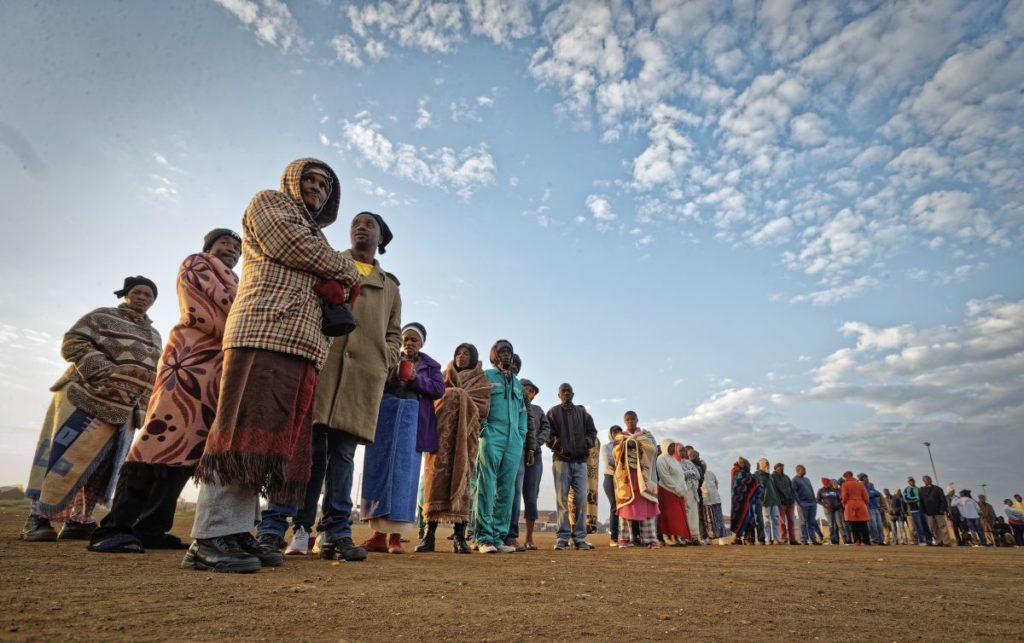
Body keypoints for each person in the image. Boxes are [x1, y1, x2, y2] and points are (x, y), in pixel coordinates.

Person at [186, 159, 359, 573]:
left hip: (301, 345)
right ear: (291, 182)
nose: (316, 188)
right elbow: (296, 248)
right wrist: (346, 268)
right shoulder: (269, 204)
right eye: (310, 180)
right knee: (240, 432)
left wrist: (339, 270)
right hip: (265, 329)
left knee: (267, 442)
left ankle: (237, 531)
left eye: (324, 185)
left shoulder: (314, 232)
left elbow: (318, 256)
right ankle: (209, 537)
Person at [255, 209, 399, 563]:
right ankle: (274, 527)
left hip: (362, 377)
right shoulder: (329, 262)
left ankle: (336, 532)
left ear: (381, 238)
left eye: (369, 225)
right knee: (301, 448)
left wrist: (386, 358)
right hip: (323, 364)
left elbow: (394, 332)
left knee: (343, 456)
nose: (361, 228)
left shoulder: (391, 286)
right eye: (355, 224)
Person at [89, 231, 241, 554]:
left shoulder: (237, 280)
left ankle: (151, 527)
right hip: (188, 362)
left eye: (237, 247)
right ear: (210, 247)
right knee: (159, 441)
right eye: (225, 243)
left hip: (216, 370)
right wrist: (246, 322)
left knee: (189, 450)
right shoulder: (196, 264)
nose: (232, 249)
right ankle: (115, 527)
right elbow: (209, 312)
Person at [23, 277, 163, 543]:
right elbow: (73, 342)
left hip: (125, 409)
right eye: (137, 292)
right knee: (62, 456)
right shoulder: (101, 316)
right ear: (126, 295)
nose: (143, 297)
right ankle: (37, 517)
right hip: (86, 397)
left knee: (103, 467)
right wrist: (105, 373)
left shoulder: (154, 335)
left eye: (148, 294)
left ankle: (79, 519)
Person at [362, 323, 444, 554]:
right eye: (405, 339)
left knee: (403, 476)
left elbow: (439, 389)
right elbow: (374, 380)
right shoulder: (389, 359)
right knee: (378, 471)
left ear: (422, 343)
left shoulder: (430, 366)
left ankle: (395, 538)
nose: (408, 343)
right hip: (385, 414)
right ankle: (378, 535)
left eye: (413, 340)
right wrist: (390, 375)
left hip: (412, 419)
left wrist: (416, 379)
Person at [418, 343, 490, 554]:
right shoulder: (442, 376)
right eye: (459, 353)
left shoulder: (481, 381)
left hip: (465, 441)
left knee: (463, 483)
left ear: (474, 357)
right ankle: (428, 536)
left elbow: (484, 408)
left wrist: (458, 396)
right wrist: (454, 394)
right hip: (440, 438)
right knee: (434, 482)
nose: (461, 356)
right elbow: (432, 401)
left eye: (466, 353)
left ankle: (460, 538)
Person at [472, 340, 528, 554]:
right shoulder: (486, 377)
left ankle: (498, 536)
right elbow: (478, 403)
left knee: (507, 488)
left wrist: (521, 435)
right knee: (487, 485)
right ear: (494, 355)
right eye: (502, 351)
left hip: (513, 440)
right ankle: (483, 537)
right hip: (492, 435)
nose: (506, 355)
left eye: (509, 351)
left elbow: (522, 412)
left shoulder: (517, 383)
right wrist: (483, 429)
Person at [545, 383, 597, 551]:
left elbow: (592, 433)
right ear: (558, 395)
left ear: (573, 394)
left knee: (581, 499)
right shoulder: (553, 412)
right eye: (563, 392)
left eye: (569, 391)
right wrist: (559, 446)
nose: (566, 394)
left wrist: (585, 444)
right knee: (562, 501)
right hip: (561, 461)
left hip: (580, 462)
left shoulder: (582, 413)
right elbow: (547, 434)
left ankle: (580, 538)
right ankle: (562, 537)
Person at [613, 411, 660, 548]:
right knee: (626, 506)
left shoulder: (645, 435)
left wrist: (637, 445)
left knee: (647, 503)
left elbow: (653, 450)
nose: (630, 421)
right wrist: (626, 445)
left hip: (643, 477)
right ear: (624, 421)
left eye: (632, 419)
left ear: (637, 419)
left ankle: (650, 539)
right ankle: (624, 539)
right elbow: (615, 452)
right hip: (626, 478)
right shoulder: (620, 436)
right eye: (627, 419)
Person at [506, 356, 537, 552]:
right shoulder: (493, 383)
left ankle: (510, 535)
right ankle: (486, 533)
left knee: (517, 493)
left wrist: (531, 448)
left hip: (520, 450)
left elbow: (531, 426)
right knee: (493, 489)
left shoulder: (532, 405)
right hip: (496, 442)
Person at [518, 378, 550, 551]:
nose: (528, 392)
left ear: (534, 395)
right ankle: (509, 535)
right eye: (525, 389)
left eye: (531, 391)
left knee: (531, 497)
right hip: (514, 453)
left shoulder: (538, 410)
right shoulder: (512, 406)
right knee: (511, 494)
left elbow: (546, 429)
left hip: (534, 456)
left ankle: (529, 538)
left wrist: (536, 443)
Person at [655, 440, 691, 545]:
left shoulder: (674, 459)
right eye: (670, 446)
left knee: (677, 517)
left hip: (678, 492)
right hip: (667, 490)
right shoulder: (661, 459)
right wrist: (676, 488)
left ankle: (677, 537)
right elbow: (665, 476)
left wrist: (683, 488)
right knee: (669, 516)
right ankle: (667, 537)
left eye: (673, 447)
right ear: (664, 447)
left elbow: (681, 476)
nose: (672, 449)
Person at [728, 457, 762, 545]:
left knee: (748, 518)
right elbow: (736, 485)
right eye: (740, 462)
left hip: (746, 500)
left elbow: (756, 485)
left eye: (743, 463)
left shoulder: (748, 474)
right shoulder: (737, 472)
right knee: (740, 518)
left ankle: (749, 538)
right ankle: (738, 538)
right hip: (738, 500)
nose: (742, 464)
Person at [676, 444, 701, 545]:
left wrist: (689, 473)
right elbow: (678, 476)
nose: (683, 453)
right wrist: (688, 473)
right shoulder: (674, 463)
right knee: (684, 513)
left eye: (684, 451)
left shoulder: (689, 462)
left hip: (692, 491)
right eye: (680, 451)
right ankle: (685, 536)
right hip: (682, 491)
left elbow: (698, 475)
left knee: (693, 514)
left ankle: (694, 537)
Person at [601, 426, 623, 546]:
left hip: (623, 479)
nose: (617, 434)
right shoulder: (606, 447)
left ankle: (628, 536)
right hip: (610, 478)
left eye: (619, 431)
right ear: (611, 434)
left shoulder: (625, 445)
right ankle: (613, 538)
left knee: (625, 505)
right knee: (614, 506)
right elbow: (609, 462)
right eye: (615, 432)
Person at [792, 465, 823, 545]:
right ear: (798, 470)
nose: (805, 470)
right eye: (803, 469)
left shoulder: (807, 479)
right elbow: (794, 492)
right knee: (803, 522)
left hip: (812, 503)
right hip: (803, 503)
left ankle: (813, 539)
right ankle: (804, 539)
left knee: (811, 522)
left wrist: (814, 501)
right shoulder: (795, 480)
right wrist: (799, 502)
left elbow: (811, 490)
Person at [754, 458, 781, 544]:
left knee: (776, 520)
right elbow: (758, 490)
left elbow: (774, 489)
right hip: (765, 502)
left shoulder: (770, 476)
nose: (767, 465)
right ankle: (767, 539)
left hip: (774, 501)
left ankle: (777, 538)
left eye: (768, 464)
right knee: (766, 521)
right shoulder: (758, 476)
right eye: (765, 464)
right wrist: (762, 500)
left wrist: (778, 500)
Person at [840, 471, 870, 546]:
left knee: (853, 524)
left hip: (850, 504)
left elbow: (844, 496)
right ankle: (867, 541)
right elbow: (866, 496)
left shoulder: (844, 484)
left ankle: (857, 541)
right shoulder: (860, 484)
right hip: (861, 504)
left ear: (846, 477)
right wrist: (864, 504)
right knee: (863, 523)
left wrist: (844, 504)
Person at [919, 475, 950, 546]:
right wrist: (922, 512)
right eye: (925, 480)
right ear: (923, 481)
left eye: (928, 479)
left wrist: (942, 509)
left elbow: (943, 501)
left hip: (939, 512)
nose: (927, 480)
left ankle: (947, 542)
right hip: (929, 512)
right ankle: (939, 541)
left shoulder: (938, 489)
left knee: (942, 526)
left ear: (931, 480)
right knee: (933, 528)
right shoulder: (921, 490)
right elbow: (921, 502)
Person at [772, 462, 798, 545]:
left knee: (791, 521)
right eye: (779, 467)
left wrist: (794, 498)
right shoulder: (772, 477)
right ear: (775, 468)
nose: (781, 469)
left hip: (790, 502)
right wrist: (777, 500)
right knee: (782, 522)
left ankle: (793, 539)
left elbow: (792, 488)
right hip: (781, 503)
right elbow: (773, 490)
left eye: (782, 467)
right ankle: (784, 538)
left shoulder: (786, 477)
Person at [817, 478, 847, 545]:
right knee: (831, 525)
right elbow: (818, 500)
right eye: (826, 483)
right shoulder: (821, 490)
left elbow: (840, 498)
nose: (827, 484)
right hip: (828, 510)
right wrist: (824, 504)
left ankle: (845, 540)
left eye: (828, 483)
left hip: (837, 509)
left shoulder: (834, 490)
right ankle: (834, 540)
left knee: (840, 524)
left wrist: (839, 504)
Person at [701, 462, 725, 541]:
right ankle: (710, 537)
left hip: (715, 499)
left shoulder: (711, 473)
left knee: (718, 519)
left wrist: (714, 492)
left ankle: (720, 537)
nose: (704, 467)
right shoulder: (698, 475)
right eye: (702, 466)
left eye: (705, 466)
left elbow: (716, 483)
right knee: (708, 520)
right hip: (705, 501)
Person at [904, 477, 931, 545]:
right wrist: (916, 499)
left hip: (922, 510)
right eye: (910, 481)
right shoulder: (907, 489)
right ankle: (921, 540)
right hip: (914, 510)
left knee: (926, 525)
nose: (911, 482)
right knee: (919, 526)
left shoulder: (918, 489)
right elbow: (906, 499)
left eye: (912, 480)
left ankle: (929, 540)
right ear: (908, 482)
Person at [860, 474, 885, 545]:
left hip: (877, 508)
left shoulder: (871, 485)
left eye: (867, 478)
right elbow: (867, 496)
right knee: (873, 525)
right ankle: (875, 540)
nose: (867, 479)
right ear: (862, 479)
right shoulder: (862, 487)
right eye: (865, 478)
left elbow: (878, 493)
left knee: (879, 525)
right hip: (869, 508)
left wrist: (872, 493)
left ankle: (881, 540)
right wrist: (872, 493)